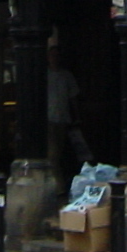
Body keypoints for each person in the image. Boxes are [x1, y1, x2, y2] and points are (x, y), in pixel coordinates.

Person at [45, 47, 91, 189]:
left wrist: (76, 117)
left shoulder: (66, 76)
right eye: (52, 55)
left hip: (62, 119)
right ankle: (58, 185)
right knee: (52, 153)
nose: (55, 58)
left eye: (57, 55)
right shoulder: (44, 75)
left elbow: (73, 98)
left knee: (59, 152)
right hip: (48, 119)